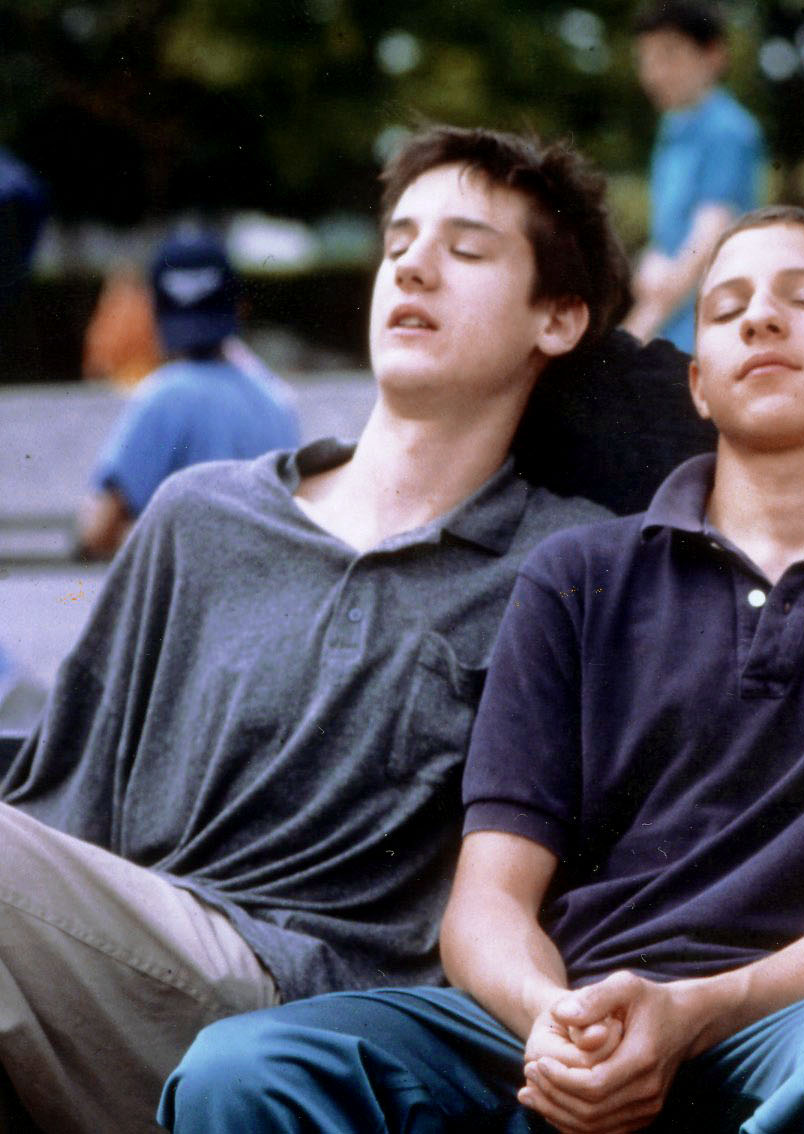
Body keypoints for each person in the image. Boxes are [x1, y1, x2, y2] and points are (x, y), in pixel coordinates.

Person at [160, 205, 804, 1134]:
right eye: (727, 310)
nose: (761, 319)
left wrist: (695, 1012)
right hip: (564, 1021)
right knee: (244, 1070)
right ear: (699, 385)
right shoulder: (578, 575)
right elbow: (486, 905)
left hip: (801, 1031)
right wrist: (554, 1025)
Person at [0, 124, 629, 1133]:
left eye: (466, 250)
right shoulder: (201, 515)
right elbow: (61, 800)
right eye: (399, 243)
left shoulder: (572, 563)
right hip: (104, 985)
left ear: (556, 318)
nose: (413, 266)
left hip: (308, 1020)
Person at [77, 230, 300, 557]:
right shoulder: (275, 399)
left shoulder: (165, 395)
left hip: (192, 584)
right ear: (240, 307)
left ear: (154, 310)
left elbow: (96, 531)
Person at [621, 0, 765, 352]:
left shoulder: (728, 130)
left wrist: (639, 328)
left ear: (713, 55)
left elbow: (707, 241)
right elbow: (669, 230)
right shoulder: (672, 127)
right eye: (645, 59)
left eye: (669, 55)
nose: (654, 73)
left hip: (706, 329)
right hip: (668, 321)